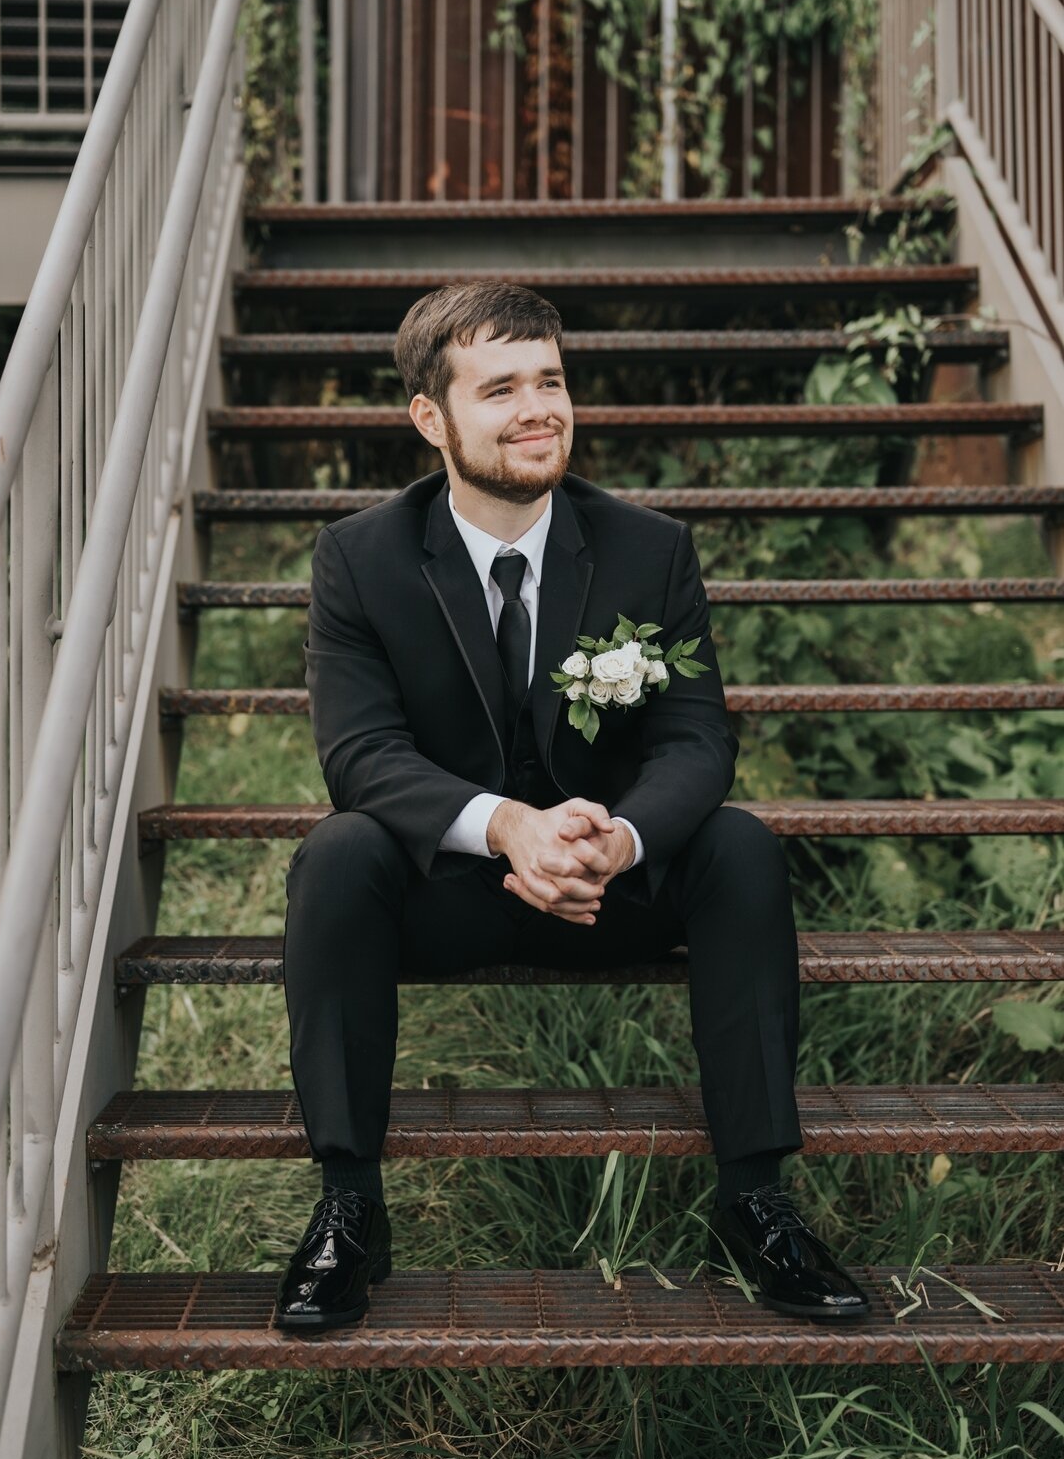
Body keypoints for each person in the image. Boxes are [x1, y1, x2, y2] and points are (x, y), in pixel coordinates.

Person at [275, 278, 868, 1331]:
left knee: (737, 848)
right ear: (431, 417)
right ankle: (349, 1204)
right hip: (453, 887)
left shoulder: (649, 548)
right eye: (499, 388)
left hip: (610, 886)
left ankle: (759, 1198)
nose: (536, 408)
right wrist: (507, 825)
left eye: (549, 380)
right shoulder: (360, 560)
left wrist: (623, 837)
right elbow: (361, 754)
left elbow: (694, 737)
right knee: (336, 855)